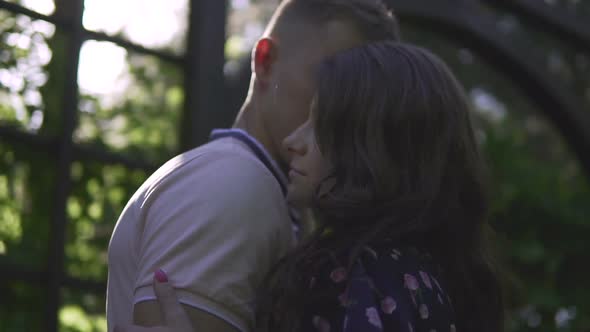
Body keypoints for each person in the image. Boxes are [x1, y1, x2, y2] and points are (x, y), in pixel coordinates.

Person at [115, 42, 505, 332]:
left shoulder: (357, 278)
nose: (293, 142)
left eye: (318, 124)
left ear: (369, 143)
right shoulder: (423, 278)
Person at [106, 1, 400, 332]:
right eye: (329, 82)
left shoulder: (273, 196)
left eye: (358, 94)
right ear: (265, 61)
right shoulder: (234, 186)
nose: (344, 108)